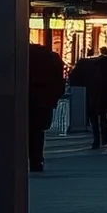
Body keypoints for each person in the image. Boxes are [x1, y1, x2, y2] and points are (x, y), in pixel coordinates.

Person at [26, 43, 65, 172]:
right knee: (38, 132)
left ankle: (28, 158)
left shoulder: (24, 57)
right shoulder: (51, 60)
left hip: (27, 100)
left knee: (26, 130)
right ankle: (36, 160)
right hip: (43, 102)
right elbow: (59, 82)